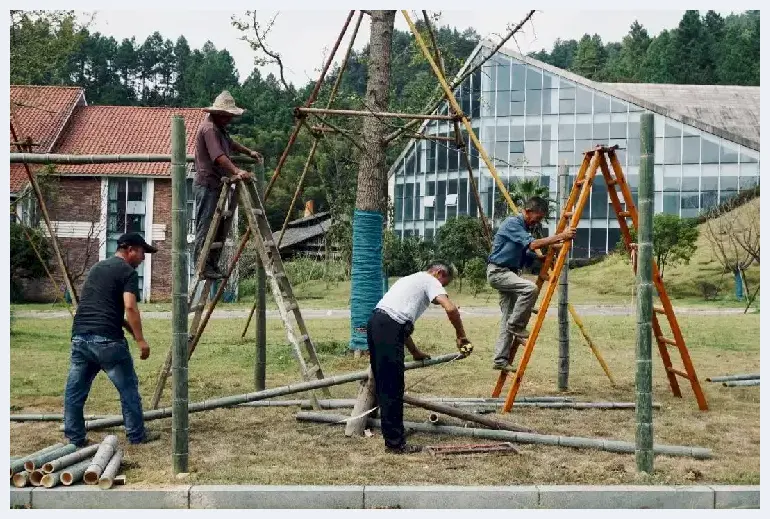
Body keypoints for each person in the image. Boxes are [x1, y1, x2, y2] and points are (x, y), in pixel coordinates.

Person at [64, 233, 160, 447]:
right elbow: (129, 306)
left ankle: (75, 438)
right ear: (130, 250)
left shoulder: (98, 268)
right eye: (142, 252)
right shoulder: (127, 272)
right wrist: (141, 340)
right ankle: (136, 435)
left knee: (75, 391)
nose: (144, 258)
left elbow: (106, 310)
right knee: (128, 389)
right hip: (107, 342)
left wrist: (133, 334)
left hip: (80, 337)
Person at [367, 261, 472, 454]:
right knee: (392, 387)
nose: (441, 290)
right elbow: (451, 308)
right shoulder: (429, 280)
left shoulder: (410, 279)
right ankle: (395, 444)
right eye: (445, 284)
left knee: (385, 384)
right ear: (439, 273)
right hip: (388, 327)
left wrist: (415, 352)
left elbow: (400, 324)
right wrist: (461, 336)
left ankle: (392, 433)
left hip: (376, 323)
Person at [487, 196, 576, 371]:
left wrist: (540, 257)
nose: (538, 221)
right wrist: (562, 236)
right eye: (538, 217)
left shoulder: (524, 227)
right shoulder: (513, 223)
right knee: (530, 288)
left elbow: (526, 251)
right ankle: (516, 325)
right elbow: (533, 244)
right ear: (527, 212)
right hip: (498, 272)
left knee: (507, 317)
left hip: (509, 273)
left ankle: (500, 359)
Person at [193, 90, 264, 279]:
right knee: (206, 225)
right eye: (227, 116)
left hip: (217, 184)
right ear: (218, 113)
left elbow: (230, 144)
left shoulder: (219, 128)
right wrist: (237, 171)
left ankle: (211, 263)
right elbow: (219, 157)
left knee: (217, 226)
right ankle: (201, 265)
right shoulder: (209, 129)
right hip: (207, 184)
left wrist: (249, 152)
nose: (229, 120)